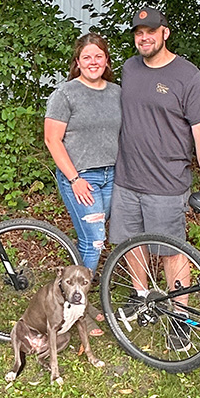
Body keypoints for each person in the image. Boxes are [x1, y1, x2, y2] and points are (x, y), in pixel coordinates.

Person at [109, 7, 200, 315]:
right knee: (131, 243)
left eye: (150, 32)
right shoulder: (129, 69)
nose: (144, 38)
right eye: (138, 33)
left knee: (171, 251)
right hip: (127, 179)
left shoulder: (187, 75)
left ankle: (179, 315)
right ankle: (142, 295)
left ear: (165, 33)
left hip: (166, 183)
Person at [44, 33, 122, 278]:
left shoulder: (117, 93)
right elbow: (51, 139)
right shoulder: (65, 94)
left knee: (90, 237)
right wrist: (74, 179)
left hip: (113, 175)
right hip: (81, 177)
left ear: (107, 61)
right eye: (86, 57)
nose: (93, 62)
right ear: (77, 62)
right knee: (96, 239)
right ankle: (77, 301)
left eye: (99, 56)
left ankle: (71, 284)